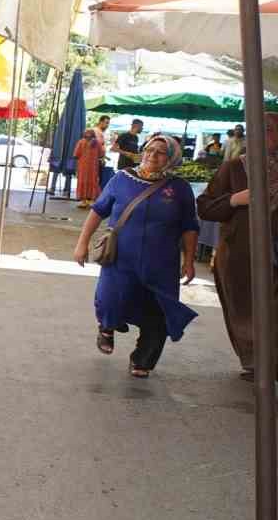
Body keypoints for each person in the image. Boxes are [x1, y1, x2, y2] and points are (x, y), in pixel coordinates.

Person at [74, 134, 199, 379]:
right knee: (111, 298)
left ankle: (143, 359)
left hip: (161, 263)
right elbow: (98, 211)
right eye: (149, 149)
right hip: (121, 257)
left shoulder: (180, 188)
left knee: (158, 311)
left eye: (160, 152)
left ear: (171, 158)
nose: (152, 155)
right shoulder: (121, 179)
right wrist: (82, 244)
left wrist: (190, 260)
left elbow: (190, 226)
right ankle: (107, 327)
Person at [197, 112, 278, 380]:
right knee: (245, 311)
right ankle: (256, 363)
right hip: (241, 257)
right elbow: (206, 207)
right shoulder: (234, 168)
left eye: (271, 129)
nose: (268, 135)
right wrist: (235, 200)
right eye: (262, 129)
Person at [74, 127, 104, 207]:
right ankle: (91, 201)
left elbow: (76, 154)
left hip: (83, 166)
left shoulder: (81, 142)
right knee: (93, 182)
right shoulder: (97, 143)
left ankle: (84, 201)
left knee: (83, 181)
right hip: (93, 167)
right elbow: (101, 154)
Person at [93, 114, 115, 191]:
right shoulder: (95, 132)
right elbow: (95, 147)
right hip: (94, 161)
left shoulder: (101, 132)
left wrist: (104, 157)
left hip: (99, 160)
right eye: (106, 123)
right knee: (95, 179)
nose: (107, 125)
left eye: (108, 123)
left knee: (99, 179)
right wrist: (100, 157)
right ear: (100, 122)